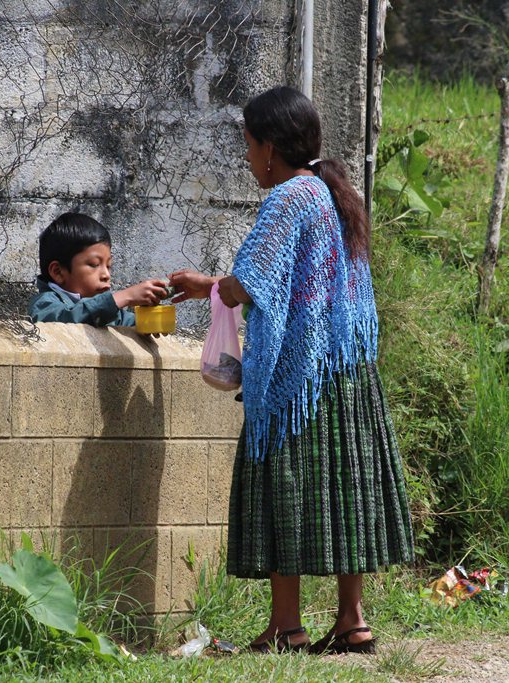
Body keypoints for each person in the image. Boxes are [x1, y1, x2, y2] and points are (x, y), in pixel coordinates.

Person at [169, 86, 414, 655]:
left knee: (286, 487)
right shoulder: (332, 193)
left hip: (300, 380)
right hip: (347, 371)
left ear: (271, 148)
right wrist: (211, 286)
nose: (248, 158)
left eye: (249, 146)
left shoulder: (288, 196)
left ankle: (286, 626)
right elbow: (288, 282)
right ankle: (352, 621)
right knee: (344, 488)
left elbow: (251, 281)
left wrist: (211, 287)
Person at [29, 212, 168, 326]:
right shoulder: (44, 304)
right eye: (94, 265)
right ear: (58, 272)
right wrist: (126, 296)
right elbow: (67, 321)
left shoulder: (112, 314)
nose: (106, 275)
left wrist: (149, 320)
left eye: (108, 266)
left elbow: (130, 324)